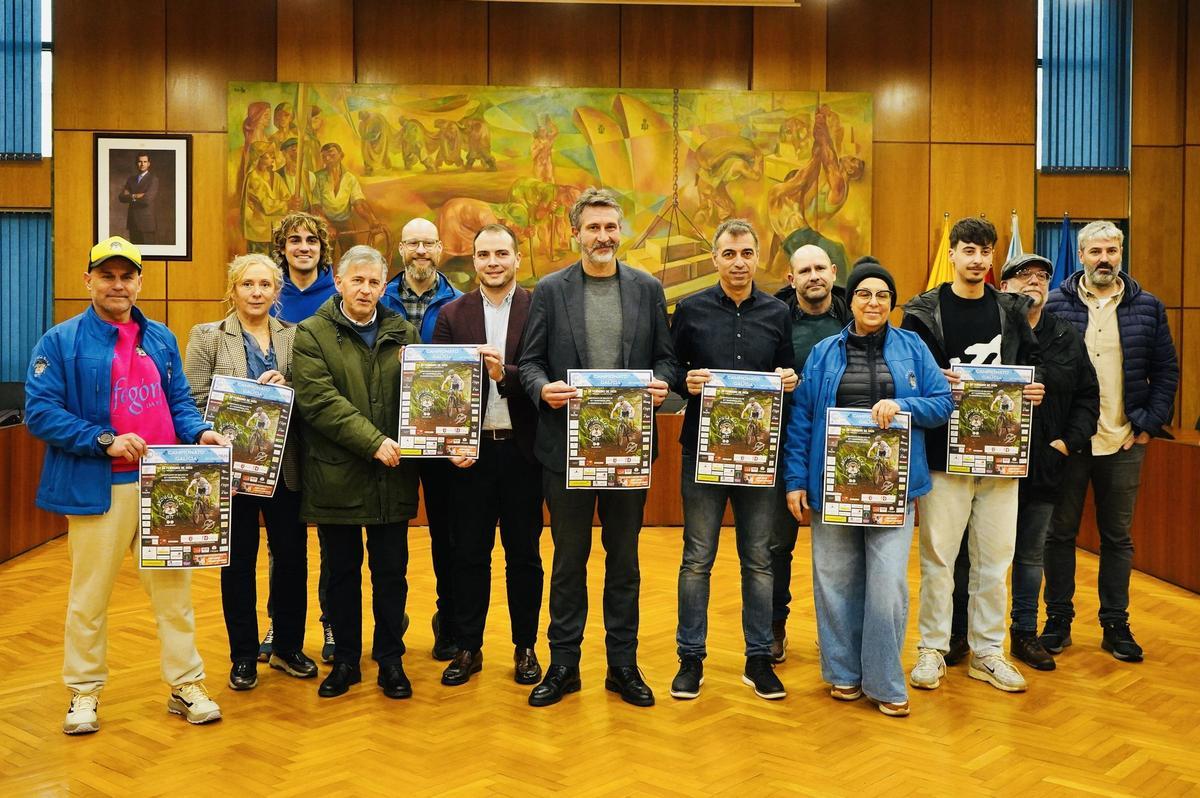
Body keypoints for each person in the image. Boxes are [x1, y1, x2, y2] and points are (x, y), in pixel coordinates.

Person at [26, 236, 226, 734]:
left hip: (166, 485)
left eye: (127, 276)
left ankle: (186, 684)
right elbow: (41, 412)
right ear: (88, 280)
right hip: (101, 488)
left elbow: (179, 402)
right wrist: (104, 440)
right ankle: (83, 692)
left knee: (174, 597)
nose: (118, 285)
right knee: (89, 597)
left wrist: (200, 431)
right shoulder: (60, 341)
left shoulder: (160, 338)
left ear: (139, 282)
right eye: (107, 275)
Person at [518, 187, 676, 707]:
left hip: (628, 451)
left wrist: (660, 383)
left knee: (624, 563)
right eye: (593, 227)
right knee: (569, 562)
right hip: (566, 451)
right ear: (576, 233)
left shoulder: (648, 288)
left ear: (619, 231)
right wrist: (542, 389)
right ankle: (564, 665)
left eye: (611, 227)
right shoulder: (549, 289)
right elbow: (530, 362)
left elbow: (667, 359)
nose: (603, 236)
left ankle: (622, 666)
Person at [783, 260, 952, 716]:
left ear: (892, 303)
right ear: (851, 299)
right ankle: (842, 673)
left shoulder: (913, 347)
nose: (873, 302)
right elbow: (802, 420)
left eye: (882, 295)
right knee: (835, 581)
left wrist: (902, 405)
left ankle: (884, 680)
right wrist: (795, 480)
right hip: (832, 486)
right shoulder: (823, 352)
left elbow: (943, 403)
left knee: (887, 585)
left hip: (892, 488)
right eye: (863, 293)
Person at [901, 216, 1044, 694]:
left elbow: (1033, 364)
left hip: (1001, 455)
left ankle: (988, 651)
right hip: (943, 455)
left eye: (985, 251)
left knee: (995, 560)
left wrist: (1035, 388)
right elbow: (906, 375)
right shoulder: (922, 311)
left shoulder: (1010, 309)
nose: (977, 259)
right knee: (939, 558)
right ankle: (932, 648)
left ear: (991, 258)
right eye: (968, 250)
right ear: (953, 254)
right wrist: (933, 377)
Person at [668, 219, 798, 702]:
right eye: (729, 254)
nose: (738, 263)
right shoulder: (691, 309)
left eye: (746, 253)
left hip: (759, 454)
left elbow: (788, 369)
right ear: (715, 259)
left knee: (759, 560)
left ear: (757, 257)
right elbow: (671, 367)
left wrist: (789, 379)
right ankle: (690, 659)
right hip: (702, 454)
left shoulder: (777, 312)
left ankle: (758, 658)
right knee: (697, 558)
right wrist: (685, 382)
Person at [1041, 221, 1179, 662]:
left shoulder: (1148, 307)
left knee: (1117, 538)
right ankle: (1058, 621)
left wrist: (1149, 424)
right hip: (1070, 444)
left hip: (1122, 442)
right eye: (1096, 251)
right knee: (1058, 535)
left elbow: (1166, 370)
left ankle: (1115, 624)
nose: (1105, 259)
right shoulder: (1055, 304)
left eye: (1112, 251)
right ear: (1081, 255)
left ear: (1121, 254)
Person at [183, 253, 319, 691]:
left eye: (264, 285)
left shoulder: (296, 336)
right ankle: (243, 656)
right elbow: (192, 400)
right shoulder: (207, 336)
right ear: (233, 289)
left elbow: (312, 395)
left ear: (276, 292)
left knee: (292, 559)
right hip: (232, 472)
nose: (256, 292)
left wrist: (288, 389)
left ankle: (287, 647)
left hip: (285, 468)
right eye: (247, 284)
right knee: (238, 563)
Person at [292, 245, 421, 699]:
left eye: (374, 282)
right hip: (336, 477)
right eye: (357, 280)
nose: (365, 289)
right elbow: (319, 402)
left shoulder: (404, 333)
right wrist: (373, 442)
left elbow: (422, 398)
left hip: (392, 476)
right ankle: (346, 660)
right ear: (339, 283)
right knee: (341, 575)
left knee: (391, 575)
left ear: (384, 287)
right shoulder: (311, 333)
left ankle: (391, 660)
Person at [973, 253, 1100, 672]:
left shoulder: (1065, 334)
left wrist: (1065, 443)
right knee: (979, 556)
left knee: (1030, 557)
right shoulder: (988, 332)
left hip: (1045, 465)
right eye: (1023, 275)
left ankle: (1024, 633)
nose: (1034, 281)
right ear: (1003, 286)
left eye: (1042, 275)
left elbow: (1088, 397)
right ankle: (967, 636)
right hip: (988, 466)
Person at [432, 224, 545, 688]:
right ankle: (467, 647)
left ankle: (525, 647)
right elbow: (439, 386)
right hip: (470, 456)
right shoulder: (451, 314)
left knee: (524, 555)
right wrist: (451, 442)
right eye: (484, 254)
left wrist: (506, 375)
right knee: (468, 555)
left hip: (523, 453)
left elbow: (546, 372)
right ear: (473, 260)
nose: (493, 262)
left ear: (517, 257)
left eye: (501, 253)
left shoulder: (540, 307)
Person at [381, 217, 464, 660]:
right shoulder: (379, 297)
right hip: (388, 433)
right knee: (389, 538)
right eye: (412, 243)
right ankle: (390, 624)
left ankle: (448, 621)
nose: (420, 251)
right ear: (401, 248)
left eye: (428, 243)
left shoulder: (461, 302)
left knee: (448, 536)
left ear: (440, 249)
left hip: (441, 437)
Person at [260, 211, 340, 664]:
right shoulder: (269, 293)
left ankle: (332, 622)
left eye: (311, 240)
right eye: (294, 240)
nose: (303, 247)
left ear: (322, 248)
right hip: (280, 440)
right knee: (283, 544)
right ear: (283, 248)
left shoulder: (338, 294)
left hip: (326, 435)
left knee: (331, 538)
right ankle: (281, 622)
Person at [769, 244, 851, 662]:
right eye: (804, 270)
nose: (814, 275)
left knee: (842, 555)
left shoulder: (856, 316)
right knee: (776, 547)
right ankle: (774, 628)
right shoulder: (774, 320)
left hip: (845, 452)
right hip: (788, 448)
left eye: (820, 268)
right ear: (791, 279)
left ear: (833, 272)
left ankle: (838, 637)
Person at [310, 142, 383, 252]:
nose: (328, 159)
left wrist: (372, 220)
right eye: (324, 156)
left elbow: (359, 204)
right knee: (324, 257)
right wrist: (327, 225)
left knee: (350, 254)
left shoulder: (350, 179)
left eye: (331, 155)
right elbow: (315, 207)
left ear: (341, 156)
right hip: (324, 222)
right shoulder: (317, 178)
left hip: (345, 222)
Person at [242, 141, 289, 255]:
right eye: (269, 154)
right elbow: (266, 205)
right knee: (259, 261)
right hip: (258, 231)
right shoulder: (253, 178)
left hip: (275, 229)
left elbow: (286, 196)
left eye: (273, 154)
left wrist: (290, 202)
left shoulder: (276, 177)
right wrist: (286, 204)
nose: (273, 157)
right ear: (258, 157)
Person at [118, 152, 159, 245]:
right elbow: (121, 197)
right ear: (136, 163)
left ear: (149, 164)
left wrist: (130, 196)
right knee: (135, 251)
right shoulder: (131, 179)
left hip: (146, 224)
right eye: (140, 161)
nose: (142, 164)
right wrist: (135, 196)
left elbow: (147, 200)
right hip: (133, 222)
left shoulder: (153, 179)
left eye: (145, 162)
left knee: (148, 251)